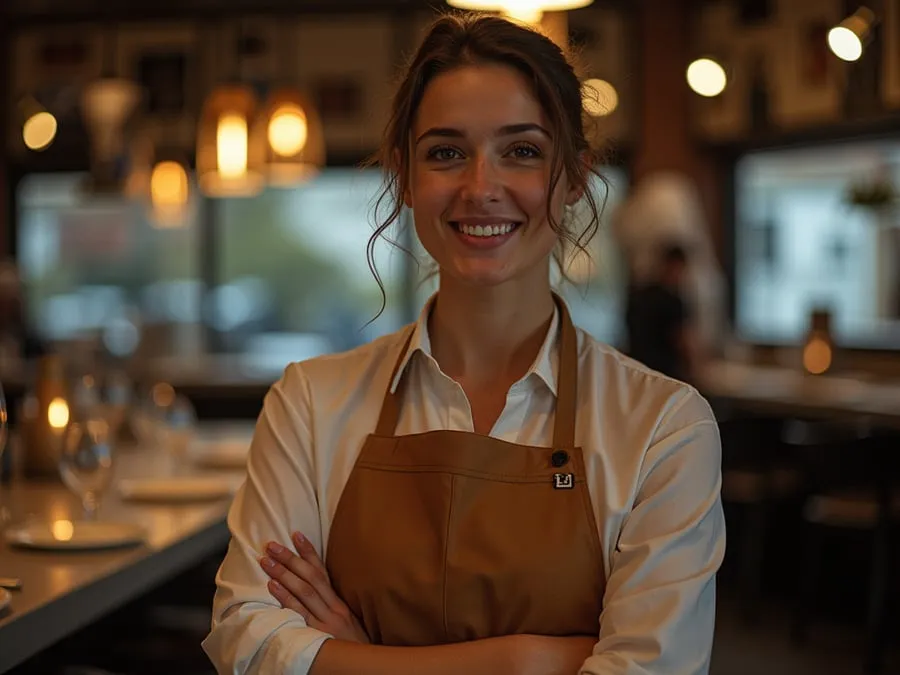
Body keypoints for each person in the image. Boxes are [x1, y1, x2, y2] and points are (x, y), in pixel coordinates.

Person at [203, 13, 724, 675]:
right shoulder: (309, 402)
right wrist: (528, 659)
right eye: (447, 152)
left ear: (573, 179)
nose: (481, 187)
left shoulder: (664, 428)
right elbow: (244, 639)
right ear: (407, 176)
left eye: (523, 150)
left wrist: (358, 656)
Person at [624, 242, 700, 382]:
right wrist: (695, 369)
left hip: (636, 372)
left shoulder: (638, 295)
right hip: (666, 375)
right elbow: (682, 340)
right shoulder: (672, 300)